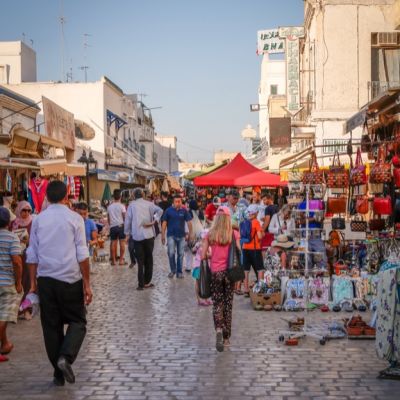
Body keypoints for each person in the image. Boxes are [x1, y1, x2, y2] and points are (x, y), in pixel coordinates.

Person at [27, 180, 92, 386]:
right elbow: (82, 254)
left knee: (51, 327)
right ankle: (65, 357)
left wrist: (32, 284)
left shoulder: (38, 220)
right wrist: (87, 284)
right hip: (70, 279)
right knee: (78, 321)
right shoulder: (75, 219)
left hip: (46, 280)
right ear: (66, 197)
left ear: (46, 196)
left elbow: (32, 255)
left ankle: (57, 373)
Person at [201, 206, 240, 352]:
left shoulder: (210, 234)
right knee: (228, 304)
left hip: (215, 273)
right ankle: (226, 337)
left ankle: (218, 328)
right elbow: (238, 252)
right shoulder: (234, 233)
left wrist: (213, 255)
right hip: (229, 274)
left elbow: (204, 255)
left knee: (217, 303)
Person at [124, 188, 163, 290]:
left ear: (133, 196)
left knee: (140, 261)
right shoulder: (149, 204)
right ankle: (147, 282)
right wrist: (155, 220)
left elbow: (127, 221)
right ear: (143, 195)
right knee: (149, 259)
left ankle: (140, 284)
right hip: (149, 235)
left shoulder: (131, 205)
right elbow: (160, 211)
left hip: (137, 236)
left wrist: (127, 234)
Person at [0, 207, 22, 362]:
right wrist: (19, 282)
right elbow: (17, 261)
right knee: (4, 315)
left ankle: (5, 343)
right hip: (7, 283)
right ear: (8, 222)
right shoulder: (12, 238)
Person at [161, 195, 193, 279]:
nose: (178, 203)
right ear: (173, 202)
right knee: (171, 253)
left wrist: (190, 233)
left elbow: (189, 222)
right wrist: (162, 235)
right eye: (176, 201)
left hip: (181, 236)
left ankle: (179, 272)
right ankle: (173, 270)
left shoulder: (184, 211)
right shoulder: (168, 211)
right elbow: (164, 222)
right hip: (171, 235)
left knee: (181, 254)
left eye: (180, 201)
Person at [242, 204, 264, 296]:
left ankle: (246, 289)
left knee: (246, 270)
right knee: (260, 269)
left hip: (245, 248)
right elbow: (259, 236)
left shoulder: (244, 222)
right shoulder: (256, 222)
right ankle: (260, 288)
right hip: (255, 249)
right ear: (255, 213)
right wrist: (262, 234)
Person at [191, 230, 212, 306]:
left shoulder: (199, 244)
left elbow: (193, 250)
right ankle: (202, 299)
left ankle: (201, 299)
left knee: (199, 283)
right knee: (203, 282)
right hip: (201, 267)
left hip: (198, 266)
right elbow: (206, 255)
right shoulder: (206, 245)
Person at [75, 202, 98, 267]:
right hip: (74, 256)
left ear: (87, 212)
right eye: (80, 214)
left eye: (85, 214)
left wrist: (91, 242)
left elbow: (95, 240)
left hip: (87, 255)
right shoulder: (73, 222)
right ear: (76, 211)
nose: (82, 216)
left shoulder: (90, 223)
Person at [107, 189, 127, 266]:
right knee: (122, 243)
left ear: (113, 197)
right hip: (121, 226)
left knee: (113, 243)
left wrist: (111, 225)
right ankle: (121, 260)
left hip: (113, 227)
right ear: (120, 197)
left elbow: (108, 218)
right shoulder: (122, 206)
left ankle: (113, 261)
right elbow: (124, 217)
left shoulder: (109, 207)